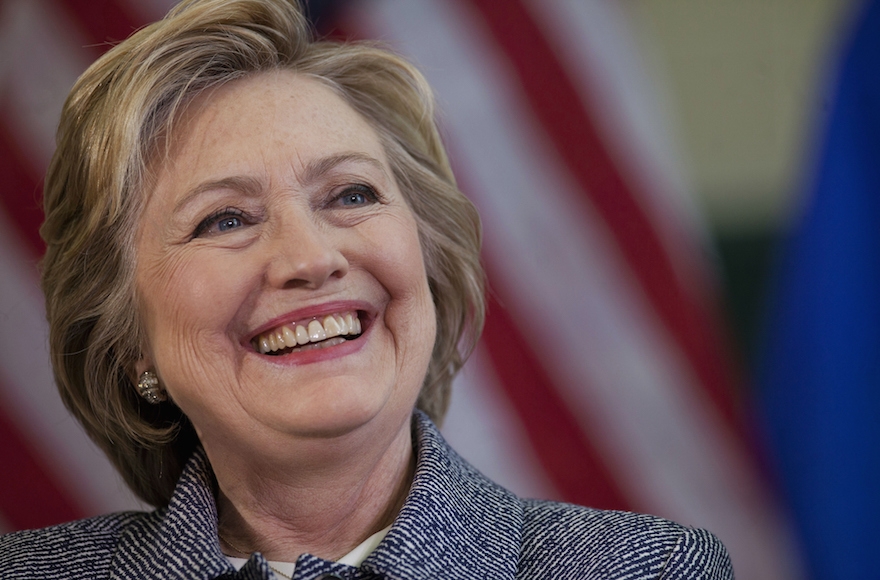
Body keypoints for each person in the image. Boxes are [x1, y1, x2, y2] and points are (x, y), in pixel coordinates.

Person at [0, 0, 733, 578]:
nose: (311, 257)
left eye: (350, 195)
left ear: (430, 270)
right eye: (224, 218)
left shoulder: (643, 570)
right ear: (129, 345)